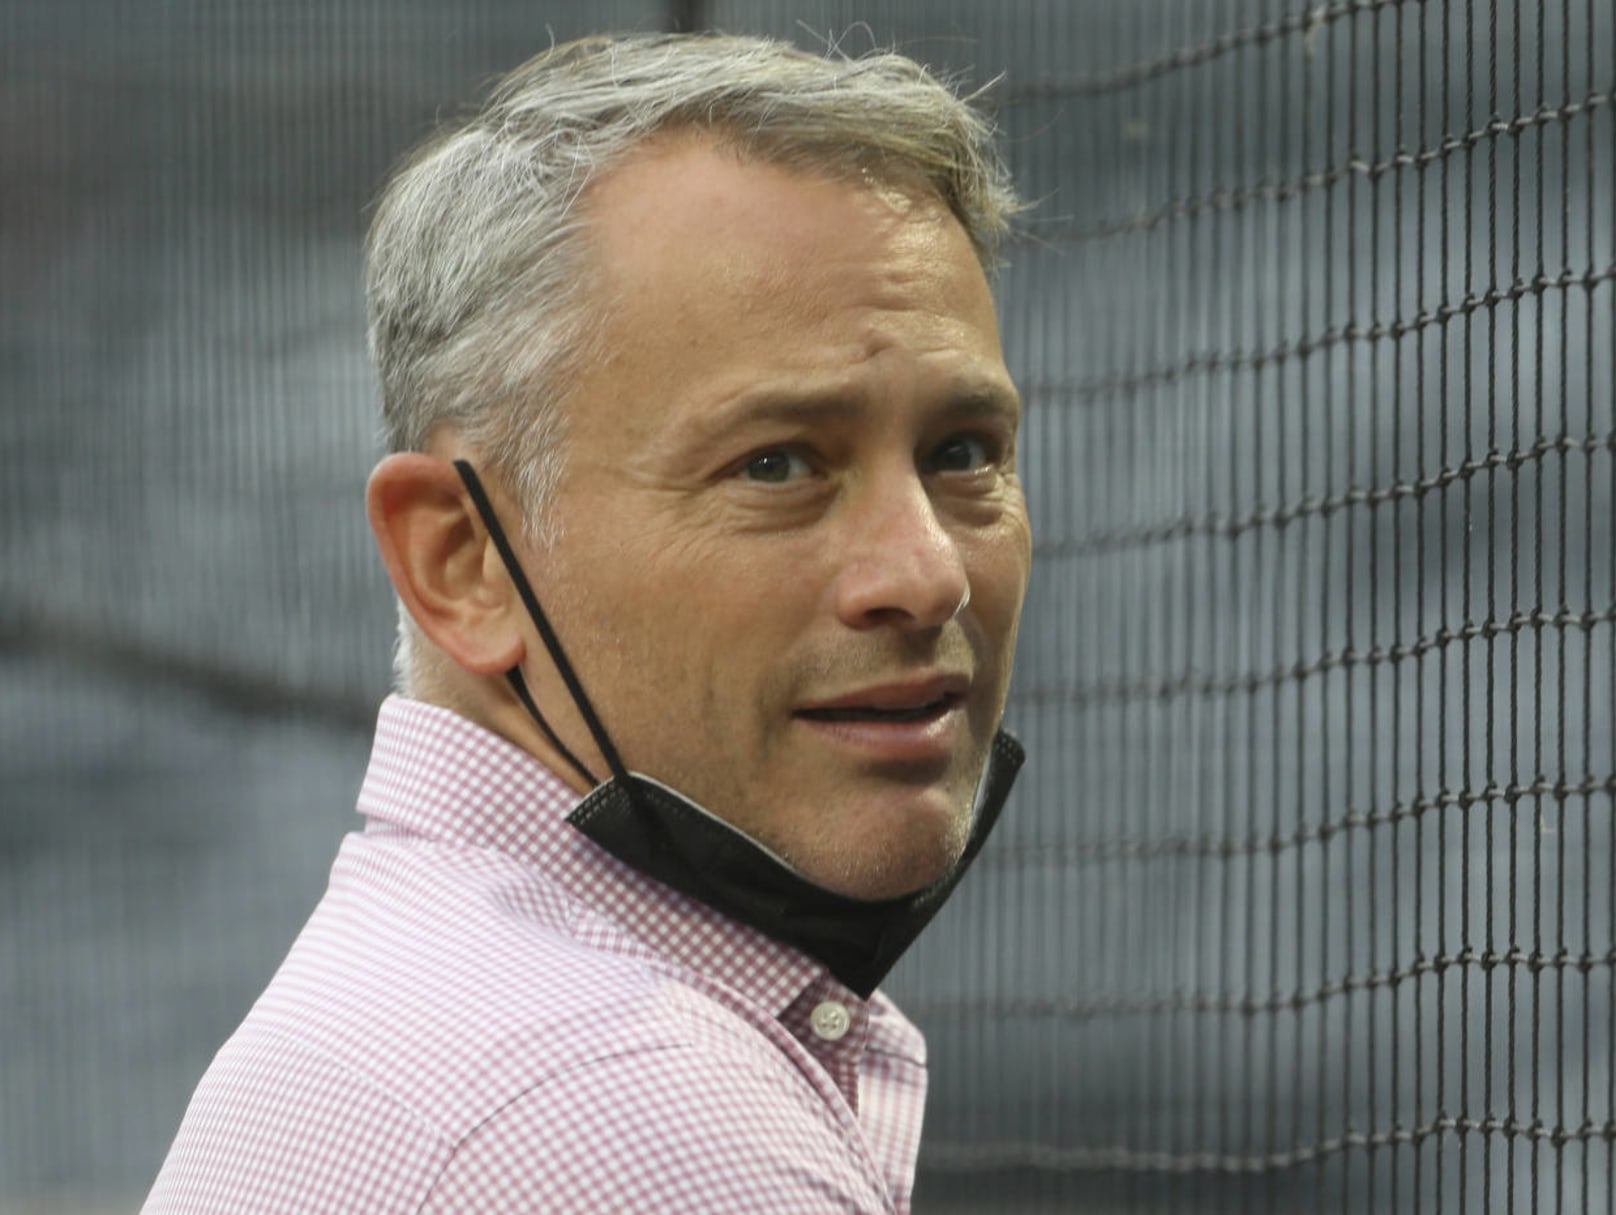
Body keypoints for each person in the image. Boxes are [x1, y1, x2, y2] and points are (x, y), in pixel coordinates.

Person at [145, 31, 1029, 1214]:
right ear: (461, 561)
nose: (926, 575)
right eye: (776, 465)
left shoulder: (420, 996)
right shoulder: (630, 1116)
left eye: (961, 453)